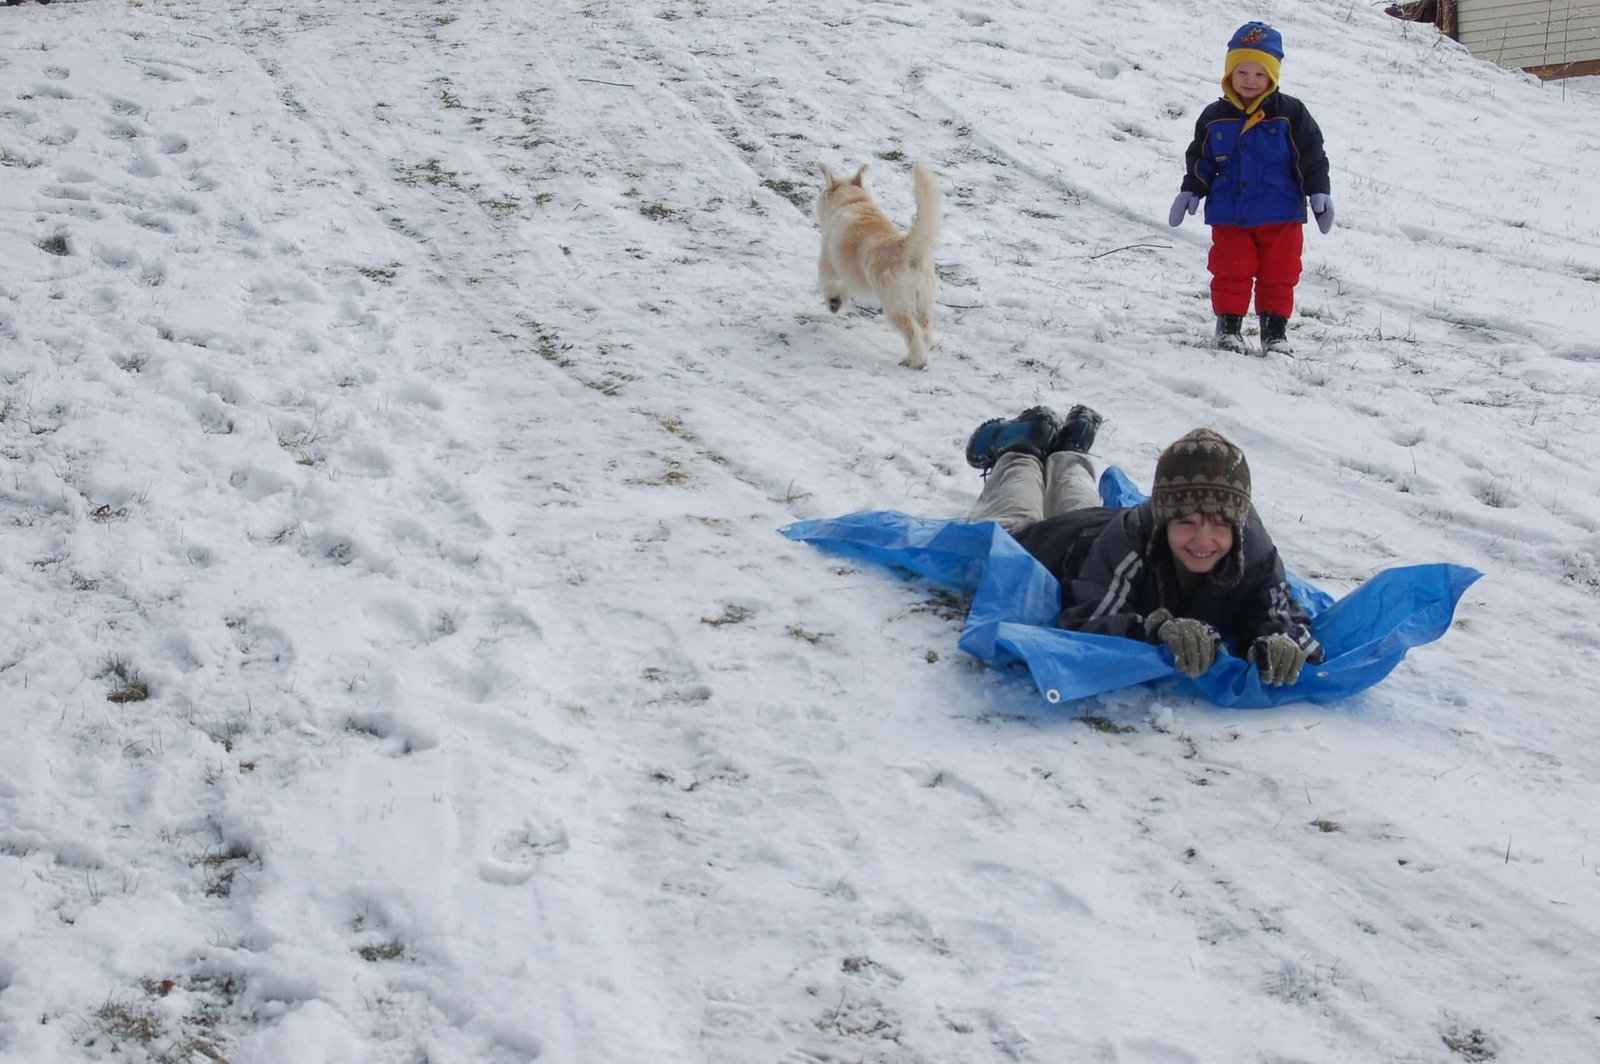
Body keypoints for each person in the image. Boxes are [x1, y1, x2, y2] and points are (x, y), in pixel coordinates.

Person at [964, 405, 1323, 686]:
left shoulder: (1254, 550)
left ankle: (1067, 451)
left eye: (1219, 526)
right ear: (1163, 520)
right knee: (1009, 523)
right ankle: (1022, 447)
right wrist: (1157, 630)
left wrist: (1281, 640)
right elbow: (1088, 618)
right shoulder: (1127, 544)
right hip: (1056, 546)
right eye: (1186, 523)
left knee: (1084, 509)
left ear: (1238, 524)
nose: (1203, 540)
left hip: (1097, 523)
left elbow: (1279, 611)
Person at [1167, 21, 1333, 357]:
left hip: (1281, 213)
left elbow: (1311, 155)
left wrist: (1318, 192)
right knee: (1231, 270)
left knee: (1280, 273)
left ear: (1272, 77)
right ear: (1230, 73)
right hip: (1231, 214)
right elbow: (1201, 157)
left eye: (1259, 74)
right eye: (1242, 71)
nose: (1250, 81)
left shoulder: (1291, 114)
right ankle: (1228, 328)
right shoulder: (1214, 116)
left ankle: (1274, 333)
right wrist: (1192, 189)